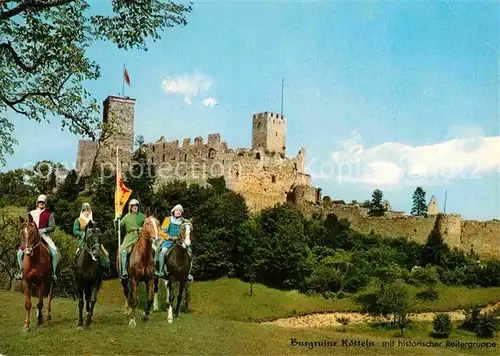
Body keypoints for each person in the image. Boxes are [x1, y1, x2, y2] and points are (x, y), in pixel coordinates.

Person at [15, 194, 59, 281]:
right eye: (39, 202)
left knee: (54, 253)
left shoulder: (49, 215)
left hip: (44, 236)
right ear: (37, 203)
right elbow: (26, 225)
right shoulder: (31, 213)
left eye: (43, 202)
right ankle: (21, 272)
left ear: (45, 203)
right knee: (19, 253)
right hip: (31, 237)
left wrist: (43, 230)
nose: (41, 203)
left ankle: (53, 273)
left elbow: (52, 227)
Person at [157, 204, 193, 282]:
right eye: (177, 210)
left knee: (190, 252)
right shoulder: (168, 219)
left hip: (180, 242)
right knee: (163, 252)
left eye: (180, 211)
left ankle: (188, 273)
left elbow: (189, 227)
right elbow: (162, 232)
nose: (178, 212)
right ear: (173, 211)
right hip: (169, 241)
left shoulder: (184, 221)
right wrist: (170, 237)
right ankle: (161, 271)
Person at [73, 202, 110, 270]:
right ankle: (75, 265)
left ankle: (104, 269)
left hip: (92, 240)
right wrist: (82, 234)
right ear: (82, 211)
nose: (87, 212)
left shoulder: (93, 222)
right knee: (77, 252)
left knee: (102, 253)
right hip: (82, 240)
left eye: (88, 211)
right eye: (85, 211)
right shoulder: (78, 220)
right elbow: (75, 231)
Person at [114, 199, 145, 279]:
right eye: (133, 206)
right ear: (130, 207)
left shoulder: (142, 216)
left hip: (140, 236)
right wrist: (116, 220)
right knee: (123, 250)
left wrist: (142, 228)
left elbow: (147, 226)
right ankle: (124, 270)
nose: (135, 207)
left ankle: (153, 269)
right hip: (129, 237)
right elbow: (118, 227)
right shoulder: (126, 217)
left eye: (136, 205)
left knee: (151, 249)